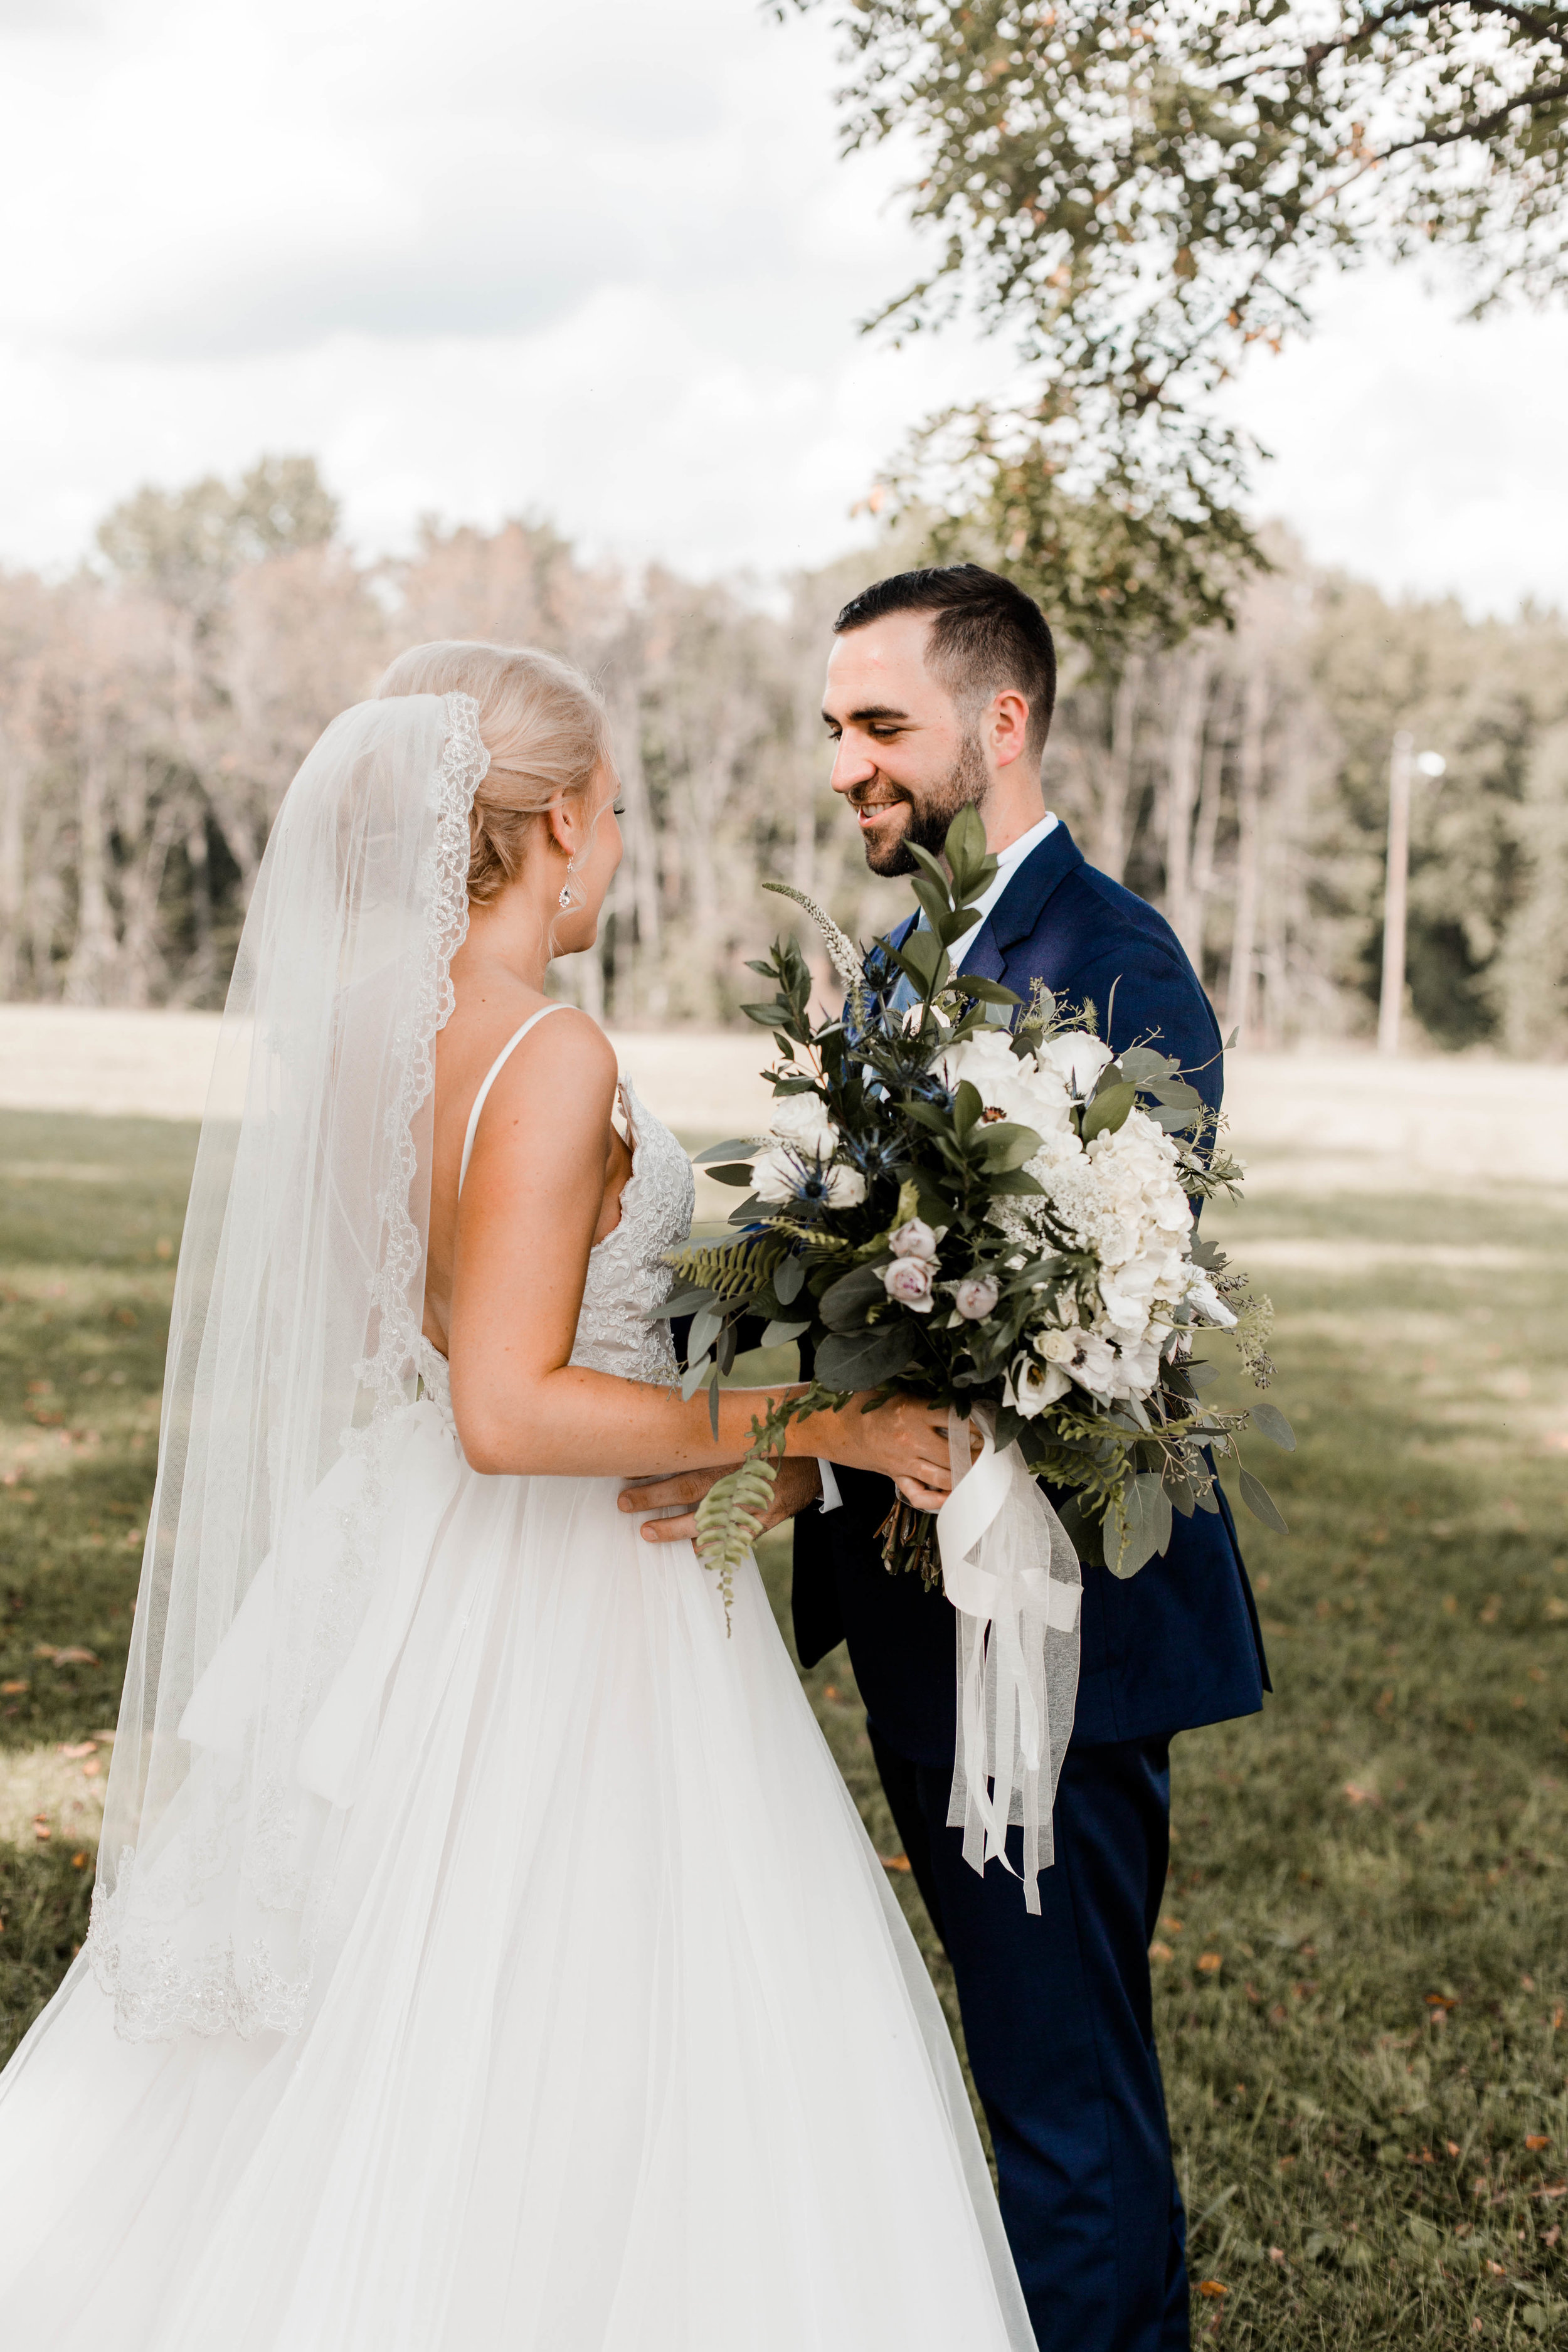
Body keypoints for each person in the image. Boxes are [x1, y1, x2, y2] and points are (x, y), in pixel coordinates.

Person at [0, 643, 1038, 2351]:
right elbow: (507, 1404)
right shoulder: (547, 1053)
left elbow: (423, 1349)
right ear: (556, 823)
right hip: (561, 1595)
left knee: (341, 2020)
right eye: (615, 811)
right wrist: (823, 1422)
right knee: (581, 2012)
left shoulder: (351, 1041)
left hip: (387, 1561)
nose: (617, 845)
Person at [632, 567, 1270, 2352]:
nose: (843, 764)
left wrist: (808, 1446)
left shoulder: (1111, 961)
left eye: (879, 725)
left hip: (1057, 1634)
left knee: (1062, 2086)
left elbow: (1113, 1317)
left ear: (997, 726)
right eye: (832, 727)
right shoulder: (903, 965)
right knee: (1024, 2062)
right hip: (928, 1623)